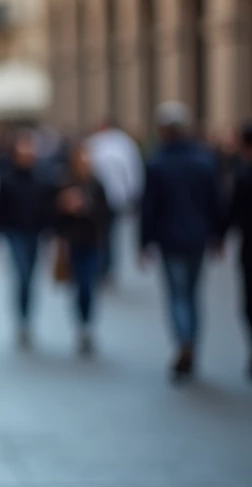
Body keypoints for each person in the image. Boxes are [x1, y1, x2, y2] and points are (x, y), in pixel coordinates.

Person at [140, 101, 223, 382]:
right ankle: (191, 345)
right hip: (197, 238)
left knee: (178, 295)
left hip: (171, 240)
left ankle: (184, 341)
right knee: (192, 294)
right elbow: (216, 202)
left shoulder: (158, 162)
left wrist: (144, 242)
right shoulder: (203, 161)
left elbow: (149, 207)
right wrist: (218, 235)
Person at [0, 129, 55, 348]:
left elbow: (49, 209)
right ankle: (22, 320)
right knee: (22, 275)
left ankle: (27, 319)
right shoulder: (8, 179)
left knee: (31, 278)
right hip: (15, 233)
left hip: (35, 234)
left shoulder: (42, 178)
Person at [53, 143, 112, 356]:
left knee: (89, 284)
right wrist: (64, 207)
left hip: (93, 242)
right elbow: (54, 218)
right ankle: (81, 325)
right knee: (78, 286)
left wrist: (86, 206)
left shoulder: (97, 184)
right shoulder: (64, 183)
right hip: (73, 243)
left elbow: (106, 215)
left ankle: (87, 325)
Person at [85, 117, 145, 285]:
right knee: (106, 234)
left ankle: (106, 267)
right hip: (104, 198)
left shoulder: (117, 144)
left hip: (112, 198)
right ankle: (104, 266)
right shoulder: (122, 144)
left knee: (108, 234)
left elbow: (133, 171)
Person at [222, 122, 252, 379]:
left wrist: (219, 237)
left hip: (250, 248)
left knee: (250, 302)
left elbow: (233, 211)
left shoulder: (243, 175)